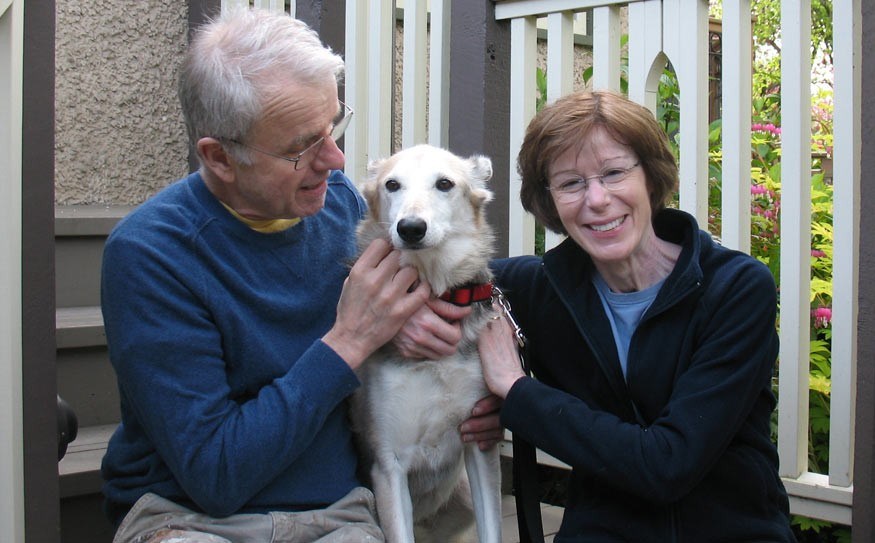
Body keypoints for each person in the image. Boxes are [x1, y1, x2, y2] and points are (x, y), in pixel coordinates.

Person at [100, 8, 500, 543]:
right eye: (300, 147)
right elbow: (217, 477)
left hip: (338, 510)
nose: (335, 161)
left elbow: (459, 266)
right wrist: (354, 339)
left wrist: (478, 335)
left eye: (333, 127)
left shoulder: (335, 206)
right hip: (189, 518)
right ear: (220, 157)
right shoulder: (152, 255)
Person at [477, 90, 796, 542]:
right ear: (548, 200)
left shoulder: (736, 289)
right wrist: (453, 383)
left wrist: (515, 392)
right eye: (570, 183)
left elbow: (667, 465)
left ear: (649, 176)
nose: (598, 199)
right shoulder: (540, 288)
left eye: (613, 173)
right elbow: (431, 278)